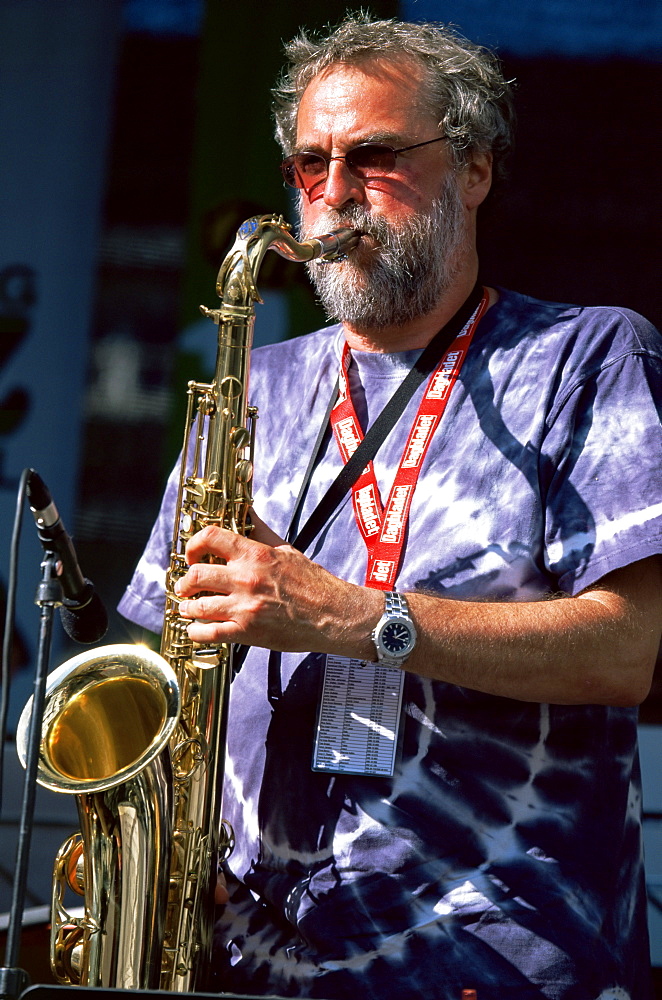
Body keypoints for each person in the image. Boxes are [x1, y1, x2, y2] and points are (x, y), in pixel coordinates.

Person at [118, 15, 662, 1000]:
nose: (331, 195)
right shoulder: (249, 387)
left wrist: (346, 617)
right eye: (308, 161)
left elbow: (624, 652)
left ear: (474, 168)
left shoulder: (586, 358)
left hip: (502, 966)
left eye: (373, 158)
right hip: (242, 964)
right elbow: (155, 674)